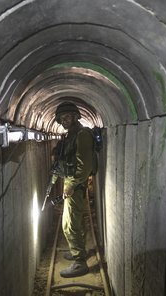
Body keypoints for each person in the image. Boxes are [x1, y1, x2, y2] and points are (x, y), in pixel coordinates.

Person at [54, 101, 94, 278]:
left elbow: (85, 166)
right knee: (73, 221)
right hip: (71, 182)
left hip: (75, 184)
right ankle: (77, 250)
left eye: (67, 117)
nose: (64, 120)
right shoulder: (71, 134)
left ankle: (79, 262)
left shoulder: (82, 134)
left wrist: (72, 184)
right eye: (61, 118)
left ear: (75, 116)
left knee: (69, 224)